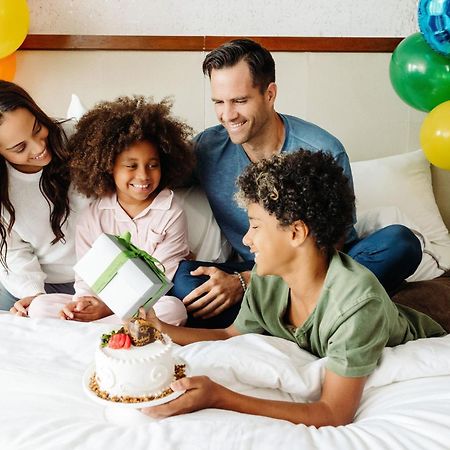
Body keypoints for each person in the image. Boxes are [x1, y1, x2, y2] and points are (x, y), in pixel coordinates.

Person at [141, 150, 446, 426]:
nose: (247, 240)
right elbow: (230, 335)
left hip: (419, 347)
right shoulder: (266, 278)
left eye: (256, 226)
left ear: (297, 232)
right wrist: (158, 327)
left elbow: (333, 413)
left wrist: (217, 396)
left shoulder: (356, 305)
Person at [172, 38, 422, 328]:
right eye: (219, 102)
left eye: (240, 101)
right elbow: (149, 176)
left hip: (325, 269)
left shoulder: (322, 150)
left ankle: (281, 319)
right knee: (184, 282)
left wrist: (244, 282)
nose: (228, 115)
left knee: (401, 244)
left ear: (269, 94)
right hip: (259, 267)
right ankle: (327, 315)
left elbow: (330, 247)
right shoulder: (208, 148)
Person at [26, 96, 195, 325]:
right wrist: (85, 302)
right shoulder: (94, 214)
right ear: (108, 167)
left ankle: (97, 326)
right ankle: (111, 326)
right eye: (131, 166)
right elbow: (87, 275)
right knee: (40, 306)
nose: (143, 176)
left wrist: (106, 309)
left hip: (146, 303)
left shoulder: (171, 212)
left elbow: (160, 277)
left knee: (173, 310)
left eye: (152, 165)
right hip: (102, 303)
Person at [0, 80, 88, 313]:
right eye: (20, 148)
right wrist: (35, 296)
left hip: (99, 274)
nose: (39, 147)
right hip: (42, 280)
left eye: (37, 128)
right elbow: (14, 253)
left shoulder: (75, 138)